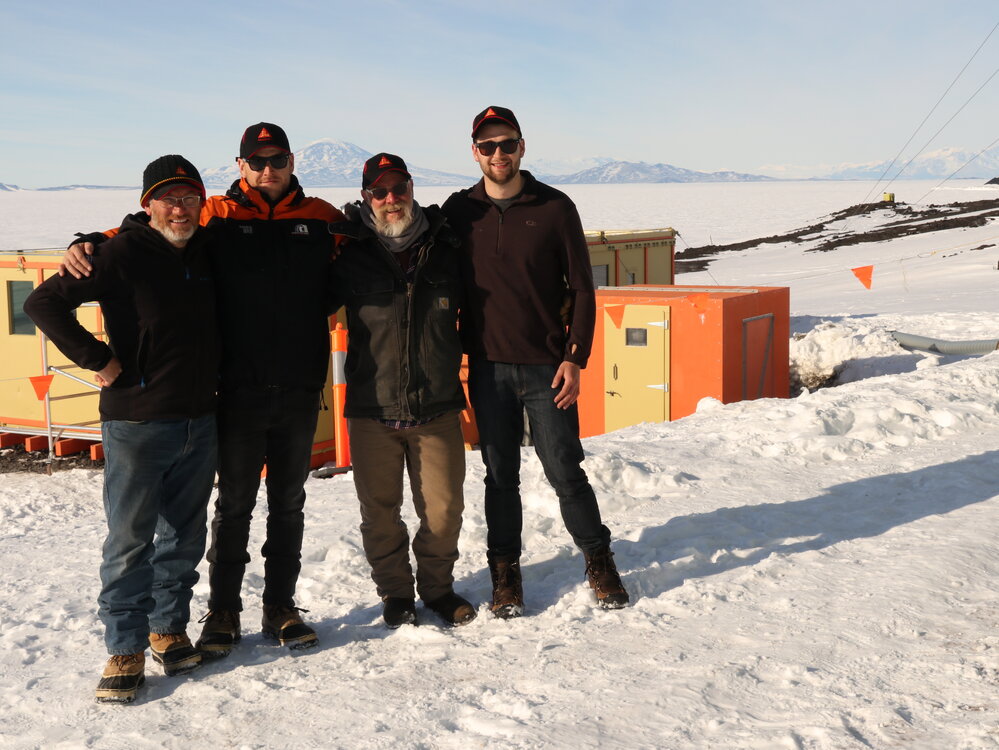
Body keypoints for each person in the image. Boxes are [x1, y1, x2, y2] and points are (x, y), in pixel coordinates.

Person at [62, 123, 345, 655]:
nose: (267, 170)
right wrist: (91, 240)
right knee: (234, 505)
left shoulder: (323, 218)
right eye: (256, 161)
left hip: (300, 387)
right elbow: (149, 227)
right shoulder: (217, 213)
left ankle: (280, 606)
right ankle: (223, 611)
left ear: (292, 162)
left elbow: (366, 250)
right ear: (241, 166)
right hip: (235, 390)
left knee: (288, 503)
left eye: (277, 159)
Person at [26, 156, 221, 703]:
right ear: (147, 204)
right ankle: (124, 647)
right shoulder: (120, 254)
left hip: (200, 419)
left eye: (189, 198)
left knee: (183, 536)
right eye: (168, 199)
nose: (179, 209)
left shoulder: (209, 250)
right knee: (130, 540)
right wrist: (97, 358)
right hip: (137, 422)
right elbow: (42, 303)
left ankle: (168, 629)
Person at [442, 106, 630, 617]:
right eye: (488, 146)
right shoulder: (459, 211)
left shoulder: (554, 207)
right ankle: (505, 574)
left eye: (507, 144)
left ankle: (599, 561)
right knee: (499, 476)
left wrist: (575, 357)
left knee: (565, 469)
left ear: (522, 147)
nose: (498, 154)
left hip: (548, 368)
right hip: (487, 368)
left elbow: (583, 288)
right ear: (475, 152)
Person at [329, 153, 474, 628]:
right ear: (366, 197)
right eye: (380, 191)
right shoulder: (349, 253)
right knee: (379, 513)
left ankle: (437, 589)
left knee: (444, 511)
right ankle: (395, 593)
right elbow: (300, 301)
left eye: (399, 188)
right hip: (373, 408)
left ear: (412, 189)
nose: (391, 199)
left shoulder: (446, 246)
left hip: (436, 405)